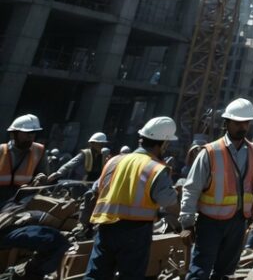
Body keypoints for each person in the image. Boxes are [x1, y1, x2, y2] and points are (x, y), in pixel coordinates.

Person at [81, 117, 181, 280]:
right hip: (136, 230)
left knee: (96, 274)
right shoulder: (156, 167)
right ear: (162, 144)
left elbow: (94, 191)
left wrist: (86, 222)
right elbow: (168, 201)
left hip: (106, 226)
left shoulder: (114, 161)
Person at [179, 98, 253, 280]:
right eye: (237, 123)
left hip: (239, 221)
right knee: (200, 270)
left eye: (246, 123)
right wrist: (187, 223)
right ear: (226, 122)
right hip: (210, 222)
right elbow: (192, 188)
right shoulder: (210, 152)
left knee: (225, 272)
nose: (242, 127)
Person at [0, 114, 69, 279]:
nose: (31, 136)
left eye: (33, 133)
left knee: (57, 240)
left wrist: (41, 180)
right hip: (4, 213)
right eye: (26, 133)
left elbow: (43, 176)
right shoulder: (1, 151)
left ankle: (28, 275)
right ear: (13, 134)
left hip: (18, 209)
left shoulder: (38, 151)